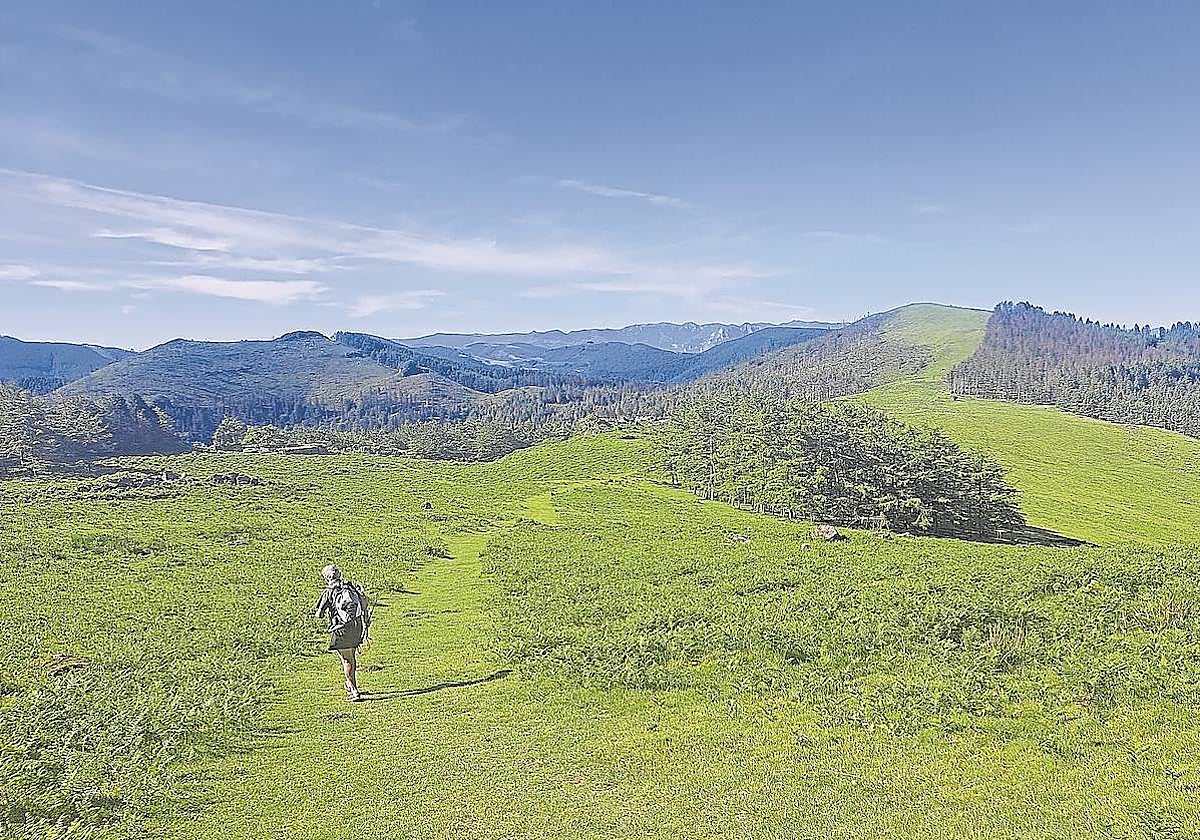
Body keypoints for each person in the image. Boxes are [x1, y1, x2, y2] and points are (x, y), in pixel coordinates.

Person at [314, 564, 371, 702]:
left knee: (346, 660)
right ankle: (351, 684)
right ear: (339, 574)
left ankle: (354, 691)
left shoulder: (328, 592)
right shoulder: (350, 587)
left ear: (326, 578)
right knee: (351, 658)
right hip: (357, 626)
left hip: (341, 629)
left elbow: (319, 614)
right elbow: (364, 603)